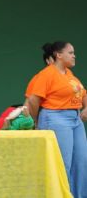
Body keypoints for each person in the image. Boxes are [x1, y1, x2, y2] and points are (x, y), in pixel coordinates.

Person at [27, 41, 87, 197]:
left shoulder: (69, 74)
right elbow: (33, 100)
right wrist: (36, 121)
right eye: (71, 52)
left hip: (75, 120)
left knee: (80, 163)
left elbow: (82, 93)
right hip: (56, 117)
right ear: (58, 55)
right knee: (62, 164)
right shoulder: (46, 74)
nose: (74, 56)